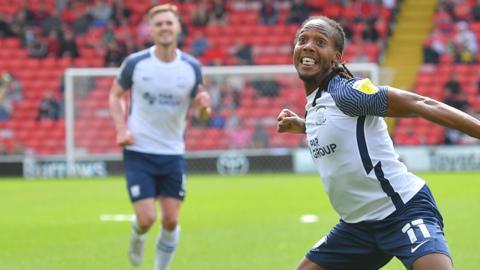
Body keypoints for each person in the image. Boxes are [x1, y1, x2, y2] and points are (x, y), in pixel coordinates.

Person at [276, 16, 480, 270]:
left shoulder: (348, 92)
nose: (308, 46)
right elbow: (340, 129)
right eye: (302, 40)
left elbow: (422, 104)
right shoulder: (316, 104)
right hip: (357, 227)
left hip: (403, 210)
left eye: (320, 41)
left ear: (336, 57)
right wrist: (303, 126)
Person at [108, 4, 211, 270]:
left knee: (170, 221)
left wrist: (204, 107)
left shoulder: (191, 67)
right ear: (151, 30)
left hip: (172, 152)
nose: (165, 28)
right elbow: (115, 95)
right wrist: (121, 128)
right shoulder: (136, 63)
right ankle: (137, 237)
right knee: (145, 219)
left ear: (178, 27)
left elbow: (201, 115)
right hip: (139, 150)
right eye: (159, 24)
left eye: (169, 23)